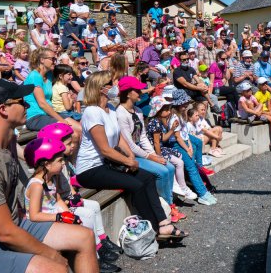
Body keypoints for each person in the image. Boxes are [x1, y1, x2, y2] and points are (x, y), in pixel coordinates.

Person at [0, 79, 98, 272]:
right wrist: (51, 255)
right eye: (21, 102)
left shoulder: (8, 138)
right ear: (3, 110)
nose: (27, 105)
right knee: (55, 268)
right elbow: (5, 234)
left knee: (85, 236)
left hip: (17, 223)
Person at [75, 71, 188, 241]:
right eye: (111, 83)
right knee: (136, 185)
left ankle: (164, 223)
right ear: (101, 88)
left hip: (107, 164)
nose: (115, 86)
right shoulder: (92, 112)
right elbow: (105, 149)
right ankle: (154, 229)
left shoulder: (110, 109)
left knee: (148, 177)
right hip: (90, 169)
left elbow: (120, 138)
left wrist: (130, 157)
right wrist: (128, 160)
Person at [22, 137, 121, 272]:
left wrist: (68, 214)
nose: (63, 163)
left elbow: (57, 200)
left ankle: (93, 259)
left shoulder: (50, 179)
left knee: (83, 222)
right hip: (41, 224)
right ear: (46, 164)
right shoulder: (36, 185)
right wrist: (60, 217)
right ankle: (95, 261)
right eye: (59, 160)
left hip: (53, 217)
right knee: (83, 228)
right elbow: (33, 215)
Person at [116, 77, 192, 220]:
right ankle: (166, 206)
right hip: (130, 154)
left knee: (169, 167)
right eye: (137, 90)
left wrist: (153, 154)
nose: (141, 92)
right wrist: (151, 157)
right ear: (127, 92)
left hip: (141, 152)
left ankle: (169, 203)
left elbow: (143, 137)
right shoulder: (120, 113)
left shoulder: (137, 110)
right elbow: (129, 143)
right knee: (162, 172)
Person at [23, 48, 82, 143]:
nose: (55, 62)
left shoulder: (49, 74)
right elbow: (42, 103)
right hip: (35, 116)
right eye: (52, 59)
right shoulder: (35, 76)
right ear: (42, 60)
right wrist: (61, 120)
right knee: (73, 134)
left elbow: (65, 74)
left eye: (56, 59)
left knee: (81, 129)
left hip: (49, 113)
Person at [253, 78, 271, 150]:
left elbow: (269, 106)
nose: (265, 85)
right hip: (260, 112)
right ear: (259, 86)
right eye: (263, 84)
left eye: (266, 83)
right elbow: (257, 109)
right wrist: (268, 112)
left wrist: (270, 112)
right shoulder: (257, 94)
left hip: (266, 112)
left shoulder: (268, 93)